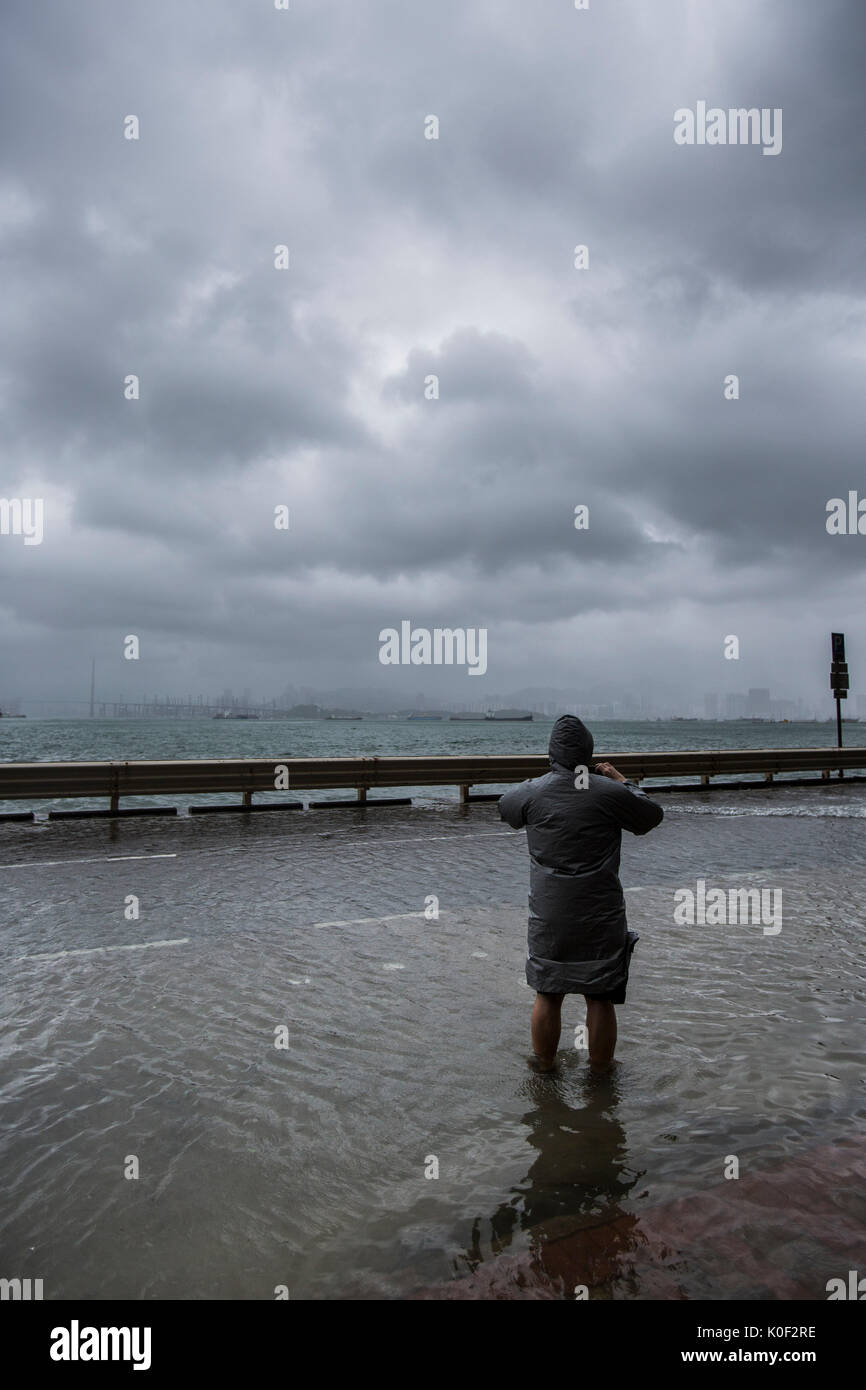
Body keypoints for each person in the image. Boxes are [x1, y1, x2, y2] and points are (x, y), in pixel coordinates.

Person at [498, 714, 663, 1073]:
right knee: (600, 996)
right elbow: (650, 816)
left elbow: (505, 808)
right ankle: (601, 1075)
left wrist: (541, 781)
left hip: (549, 914)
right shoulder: (608, 792)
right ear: (588, 752)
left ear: (551, 753)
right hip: (600, 914)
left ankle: (544, 1069)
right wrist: (623, 780)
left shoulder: (533, 791)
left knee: (548, 992)